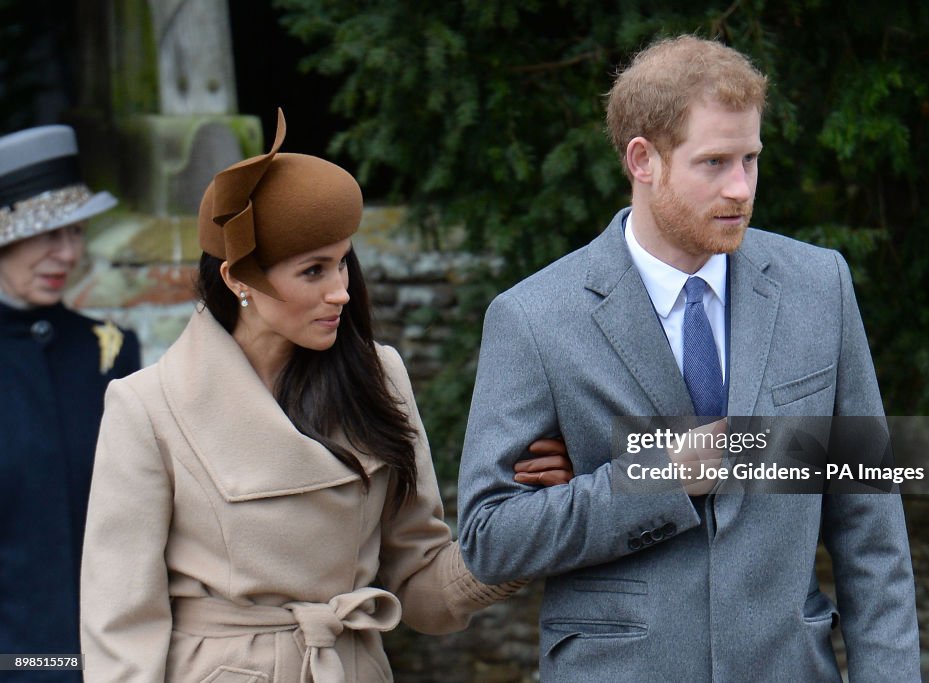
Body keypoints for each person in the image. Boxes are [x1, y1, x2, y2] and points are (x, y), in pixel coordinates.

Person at [458, 35, 920, 682]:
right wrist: (657, 474)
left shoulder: (820, 287)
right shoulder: (534, 318)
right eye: (714, 163)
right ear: (643, 159)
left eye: (751, 159)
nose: (741, 188)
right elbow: (488, 538)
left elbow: (870, 526)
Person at [79, 110, 571, 682]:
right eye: (313, 271)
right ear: (239, 279)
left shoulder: (377, 376)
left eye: (343, 262)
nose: (341, 291)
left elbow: (422, 586)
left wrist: (531, 522)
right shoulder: (147, 408)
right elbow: (121, 628)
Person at [0, 124, 141, 680]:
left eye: (77, 232)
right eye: (46, 234)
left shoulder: (108, 350)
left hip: (111, 657)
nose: (68, 252)